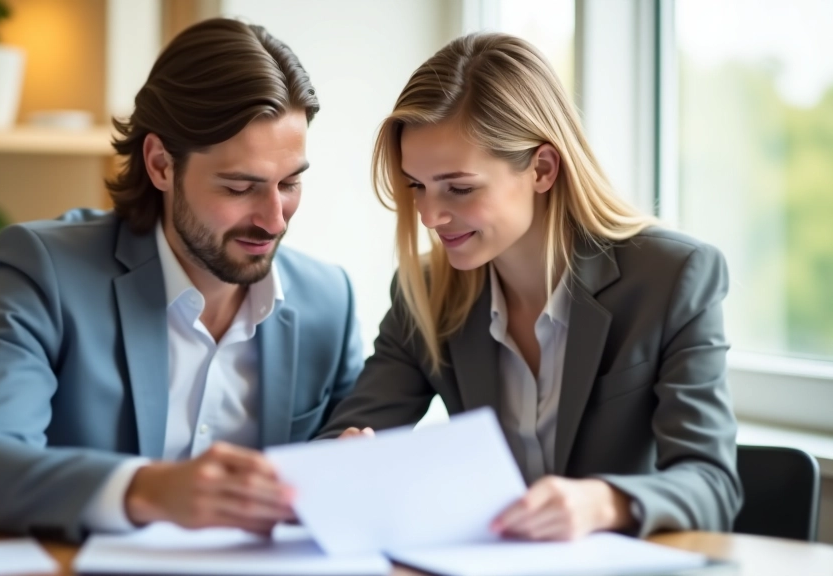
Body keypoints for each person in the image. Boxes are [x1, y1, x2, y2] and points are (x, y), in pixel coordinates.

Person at [0, 18, 363, 542]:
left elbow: (347, 468)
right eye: (239, 186)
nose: (275, 219)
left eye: (290, 183)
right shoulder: (46, 270)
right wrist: (152, 490)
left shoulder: (329, 301)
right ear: (161, 165)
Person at [316, 32, 742, 540]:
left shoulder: (672, 278)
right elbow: (342, 442)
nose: (430, 214)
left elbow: (712, 485)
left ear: (541, 168)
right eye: (417, 186)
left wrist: (600, 502)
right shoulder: (425, 293)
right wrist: (342, 463)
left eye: (459, 187)